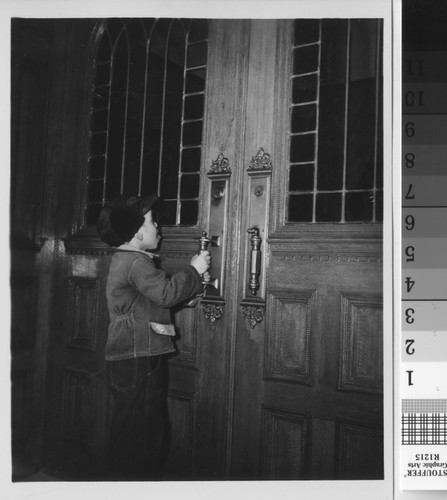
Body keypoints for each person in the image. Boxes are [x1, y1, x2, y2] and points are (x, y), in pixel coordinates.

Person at [96, 193, 210, 480]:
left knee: (138, 428)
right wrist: (194, 271)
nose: (158, 226)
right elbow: (165, 293)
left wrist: (192, 290)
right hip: (138, 357)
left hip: (137, 355)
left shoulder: (132, 260)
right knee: (141, 432)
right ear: (136, 232)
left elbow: (152, 301)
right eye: (152, 221)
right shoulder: (136, 262)